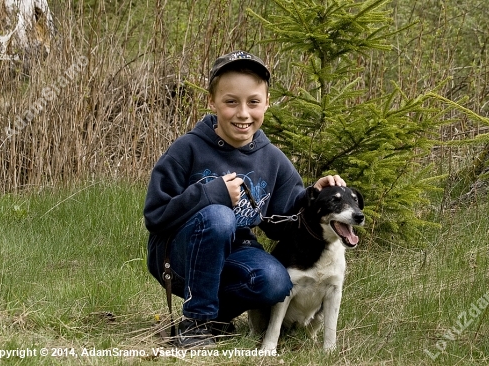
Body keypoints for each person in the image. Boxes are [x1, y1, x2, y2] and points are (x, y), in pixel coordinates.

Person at [144, 50, 345, 348]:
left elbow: (280, 225)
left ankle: (216, 318)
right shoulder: (188, 148)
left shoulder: (273, 159)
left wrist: (313, 197)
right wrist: (210, 193)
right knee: (219, 217)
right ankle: (196, 322)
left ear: (266, 103)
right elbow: (156, 215)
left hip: (237, 250)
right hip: (177, 254)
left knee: (276, 282)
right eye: (230, 102)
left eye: (253, 102)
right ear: (213, 101)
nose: (243, 113)